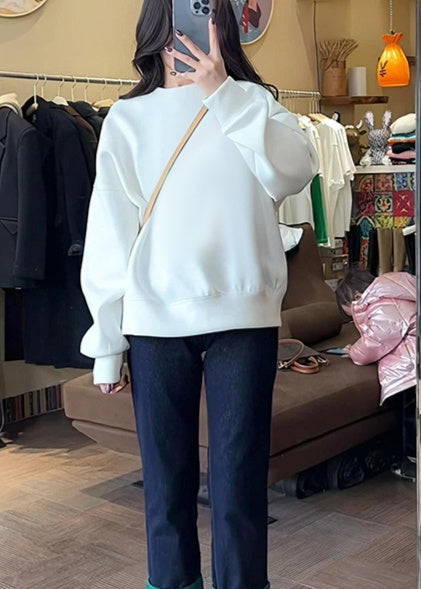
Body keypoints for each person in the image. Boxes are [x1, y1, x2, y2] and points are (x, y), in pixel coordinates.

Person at [79, 1, 318, 588]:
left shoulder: (253, 103)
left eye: (207, 12)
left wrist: (224, 95)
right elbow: (110, 233)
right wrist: (106, 344)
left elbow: (296, 171)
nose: (191, 32)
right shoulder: (127, 119)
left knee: (240, 486)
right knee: (165, 490)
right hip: (154, 321)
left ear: (222, 26)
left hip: (245, 314)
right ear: (158, 26)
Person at [336, 269, 416, 473]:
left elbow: (377, 340)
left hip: (411, 365)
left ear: (357, 298)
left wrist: (354, 352)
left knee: (409, 415)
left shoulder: (382, 306)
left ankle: (413, 461)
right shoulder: (397, 286)